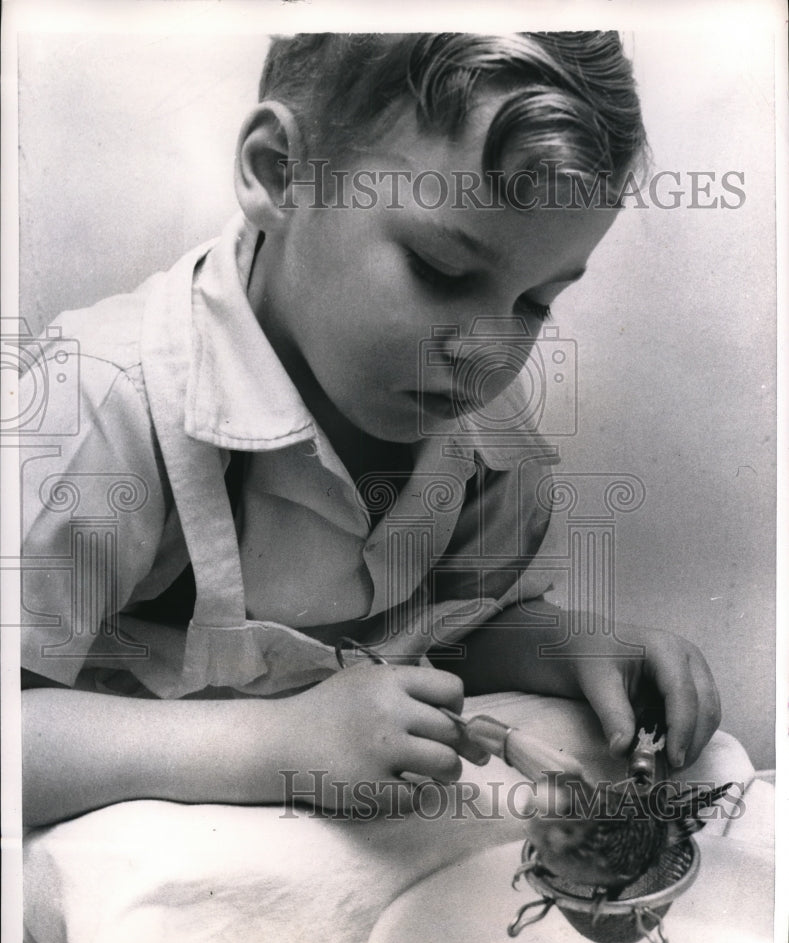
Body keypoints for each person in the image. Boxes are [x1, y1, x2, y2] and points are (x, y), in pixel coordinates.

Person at [20, 31, 721, 830]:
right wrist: (270, 745)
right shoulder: (99, 403)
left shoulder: (480, 434)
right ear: (279, 174)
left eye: (534, 302)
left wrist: (565, 645)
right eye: (440, 272)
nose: (489, 355)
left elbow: (450, 631)